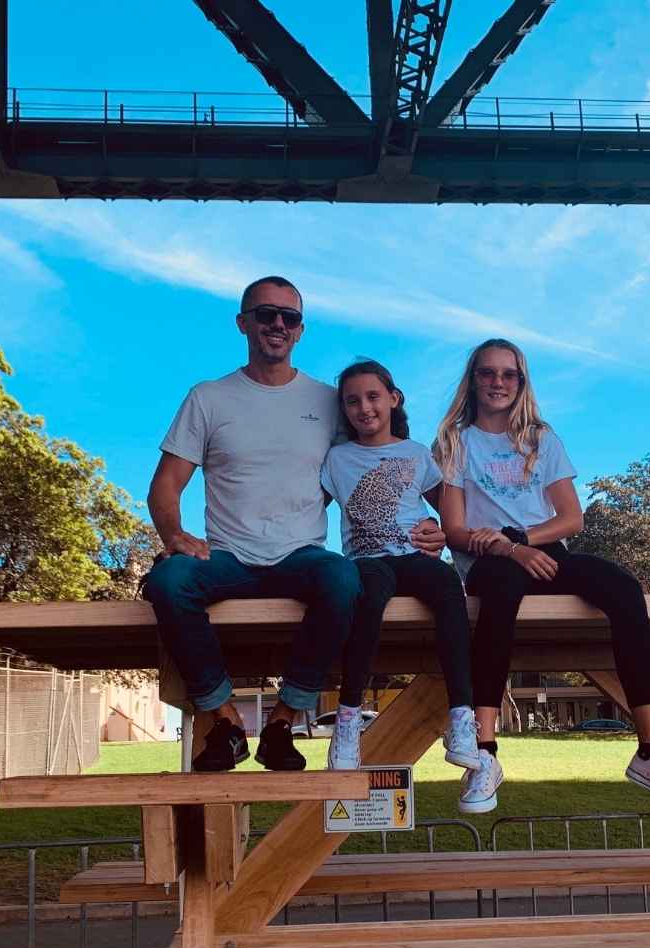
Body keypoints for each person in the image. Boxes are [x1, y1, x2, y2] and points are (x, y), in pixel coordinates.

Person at [142, 276, 444, 772]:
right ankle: (225, 721)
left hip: (301, 554)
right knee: (169, 580)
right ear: (244, 323)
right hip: (227, 556)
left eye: (290, 317)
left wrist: (437, 525)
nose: (278, 324)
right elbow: (166, 485)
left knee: (344, 577)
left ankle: (283, 722)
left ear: (301, 330)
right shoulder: (209, 397)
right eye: (266, 314)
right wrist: (174, 536)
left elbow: (384, 457)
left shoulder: (331, 401)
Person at [433, 338, 650, 814]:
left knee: (621, 587)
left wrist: (523, 540)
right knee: (500, 589)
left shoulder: (541, 439)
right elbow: (454, 530)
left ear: (521, 382)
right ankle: (484, 753)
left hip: (541, 550)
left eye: (509, 374)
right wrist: (508, 548)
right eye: (487, 373)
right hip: (491, 561)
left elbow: (570, 519)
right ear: (473, 379)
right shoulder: (456, 442)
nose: (498, 382)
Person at [319, 360, 480, 784]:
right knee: (368, 597)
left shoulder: (415, 453)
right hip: (366, 562)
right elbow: (307, 507)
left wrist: (442, 531)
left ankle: (462, 718)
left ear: (393, 399)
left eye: (373, 396)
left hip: (414, 555)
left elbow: (448, 502)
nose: (364, 407)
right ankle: (349, 720)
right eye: (352, 401)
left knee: (448, 585)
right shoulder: (337, 459)